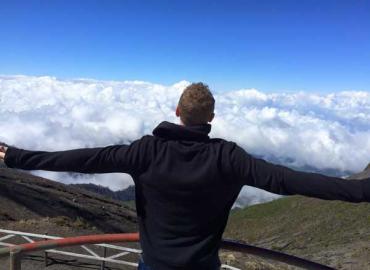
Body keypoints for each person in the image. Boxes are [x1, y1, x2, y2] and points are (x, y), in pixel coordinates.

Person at [0, 82, 369, 270]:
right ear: (211, 118)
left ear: (177, 111)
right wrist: (363, 192)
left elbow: (84, 159)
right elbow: (294, 180)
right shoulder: (230, 158)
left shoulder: (146, 151)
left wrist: (15, 155)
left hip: (154, 265)